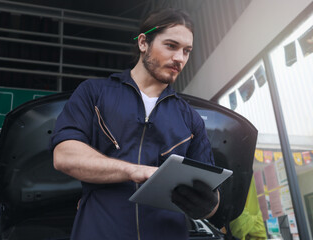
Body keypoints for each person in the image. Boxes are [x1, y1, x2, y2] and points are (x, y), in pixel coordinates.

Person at [50, 8, 219, 240]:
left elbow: (210, 197)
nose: (180, 58)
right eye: (171, 46)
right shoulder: (94, 93)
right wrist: (136, 171)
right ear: (143, 43)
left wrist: (209, 204)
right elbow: (64, 155)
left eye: (186, 51)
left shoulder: (191, 119)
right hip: (100, 231)